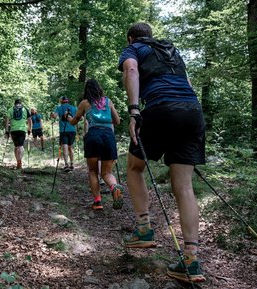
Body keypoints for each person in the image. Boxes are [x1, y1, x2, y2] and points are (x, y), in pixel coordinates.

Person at [118, 22, 206, 283]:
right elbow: (187, 82)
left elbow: (131, 70)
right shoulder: (172, 52)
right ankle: (191, 259)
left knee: (135, 167)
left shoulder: (132, 49)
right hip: (192, 111)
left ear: (131, 37)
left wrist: (134, 111)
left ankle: (144, 230)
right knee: (185, 186)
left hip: (160, 109)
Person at [66, 79, 124, 210]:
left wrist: (68, 118)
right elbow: (117, 121)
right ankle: (114, 186)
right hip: (108, 136)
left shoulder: (85, 103)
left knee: (93, 171)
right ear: (99, 89)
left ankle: (97, 202)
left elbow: (74, 121)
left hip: (93, 136)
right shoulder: (108, 101)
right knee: (107, 173)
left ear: (87, 90)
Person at [51, 96, 77, 172]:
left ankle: (66, 165)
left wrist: (52, 114)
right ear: (67, 101)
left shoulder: (59, 108)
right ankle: (72, 164)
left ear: (61, 101)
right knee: (70, 147)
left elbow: (54, 116)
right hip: (72, 130)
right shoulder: (73, 108)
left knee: (65, 147)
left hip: (63, 131)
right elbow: (80, 118)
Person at [4, 99, 32, 169]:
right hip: (22, 130)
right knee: (21, 146)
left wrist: (7, 131)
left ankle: (18, 161)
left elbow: (7, 121)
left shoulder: (10, 109)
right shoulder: (25, 109)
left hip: (13, 130)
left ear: (14, 103)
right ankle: (20, 161)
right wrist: (29, 129)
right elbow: (29, 120)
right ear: (21, 103)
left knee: (16, 146)